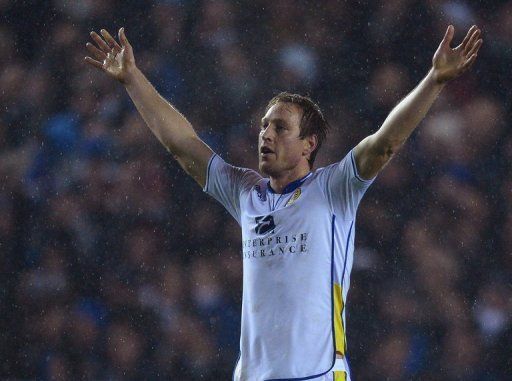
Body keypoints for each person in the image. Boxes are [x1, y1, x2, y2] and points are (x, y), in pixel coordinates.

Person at [85, 24, 482, 381]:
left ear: (310, 144)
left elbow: (385, 143)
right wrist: (132, 79)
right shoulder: (246, 193)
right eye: (263, 126)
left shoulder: (334, 188)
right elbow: (182, 145)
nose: (266, 135)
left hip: (318, 375)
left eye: (279, 127)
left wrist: (433, 80)